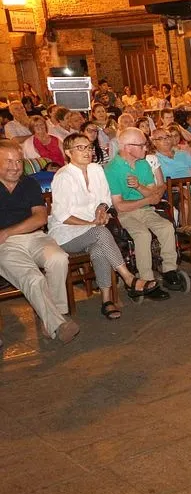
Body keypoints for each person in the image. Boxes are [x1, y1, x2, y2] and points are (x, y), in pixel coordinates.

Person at [49, 133, 160, 317]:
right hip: (67, 234)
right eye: (80, 148)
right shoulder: (63, 176)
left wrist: (101, 209)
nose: (87, 152)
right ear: (68, 152)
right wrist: (91, 223)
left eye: (89, 147)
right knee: (101, 233)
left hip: (92, 229)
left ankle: (106, 300)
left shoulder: (96, 169)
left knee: (100, 249)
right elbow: (62, 216)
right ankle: (129, 278)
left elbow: (105, 198)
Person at [0, 140, 80, 344]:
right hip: (5, 246)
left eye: (18, 161)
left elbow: (40, 218)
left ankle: (53, 318)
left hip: (34, 236)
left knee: (59, 258)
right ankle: (58, 323)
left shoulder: (29, 183)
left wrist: (8, 231)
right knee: (33, 278)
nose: (15, 167)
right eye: (8, 161)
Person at [103, 128, 181, 297]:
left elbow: (153, 194)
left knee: (166, 226)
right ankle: (146, 279)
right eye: (142, 145)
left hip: (146, 210)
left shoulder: (143, 163)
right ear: (128, 147)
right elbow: (120, 206)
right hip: (126, 214)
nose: (146, 148)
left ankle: (169, 270)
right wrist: (147, 199)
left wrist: (139, 186)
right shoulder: (111, 169)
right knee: (142, 234)